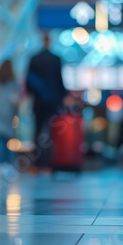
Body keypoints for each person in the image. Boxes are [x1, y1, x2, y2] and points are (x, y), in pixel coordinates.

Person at [26, 32, 70, 174]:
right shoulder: (55, 59)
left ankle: (36, 164)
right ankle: (49, 164)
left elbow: (29, 81)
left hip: (39, 100)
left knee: (37, 131)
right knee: (51, 133)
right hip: (53, 100)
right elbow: (59, 80)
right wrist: (64, 96)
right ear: (49, 41)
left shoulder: (34, 58)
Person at [0, 59, 20, 166]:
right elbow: (15, 98)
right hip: (8, 111)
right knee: (9, 139)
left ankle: (2, 163)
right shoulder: (13, 80)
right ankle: (9, 163)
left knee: (0, 139)